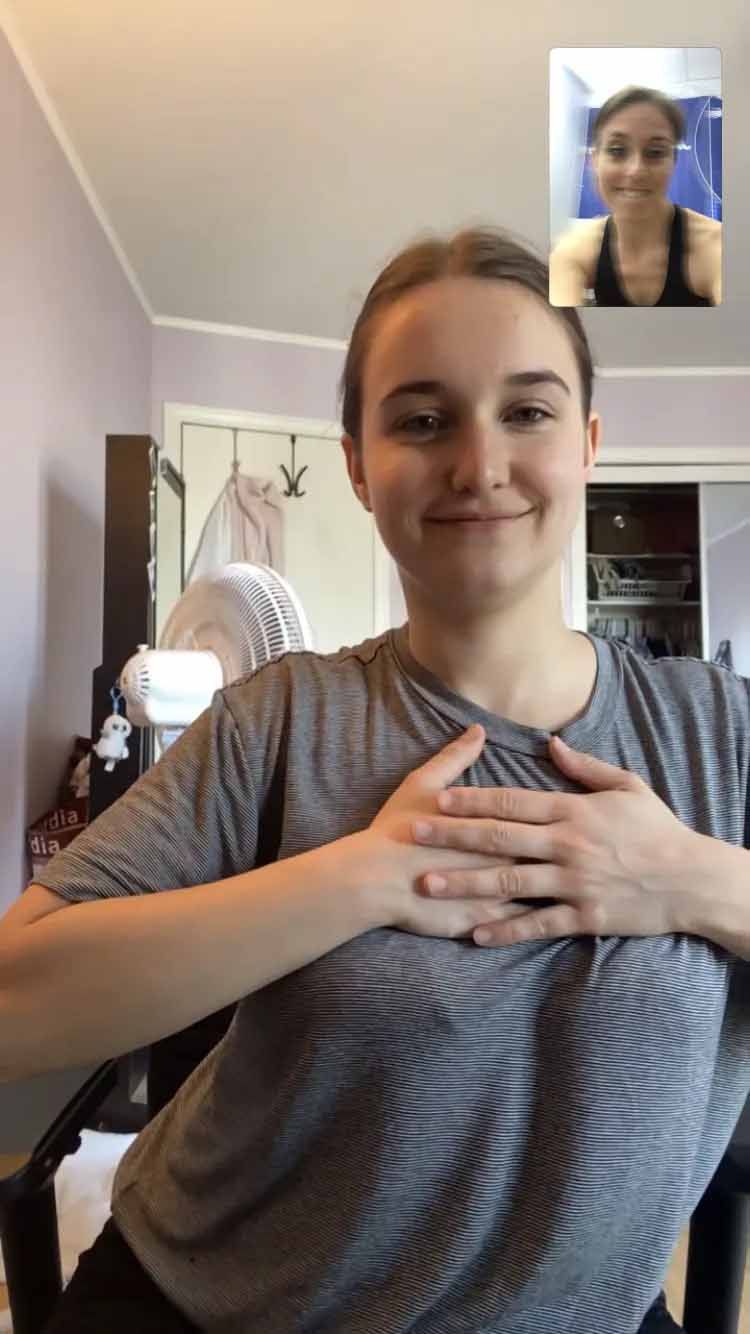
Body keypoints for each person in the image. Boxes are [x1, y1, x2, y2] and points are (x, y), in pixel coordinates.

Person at [2, 226, 748, 1334]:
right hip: (202, 1306)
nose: (479, 463)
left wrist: (694, 880)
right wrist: (360, 878)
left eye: (528, 410)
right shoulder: (281, 718)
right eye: (422, 418)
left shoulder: (718, 731)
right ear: (357, 462)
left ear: (587, 442)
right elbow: (18, 1005)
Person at [549, 85, 722, 306]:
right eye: (617, 150)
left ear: (673, 162)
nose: (636, 170)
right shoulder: (573, 250)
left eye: (655, 153)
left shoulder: (716, 246)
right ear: (594, 161)